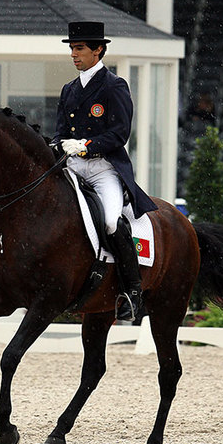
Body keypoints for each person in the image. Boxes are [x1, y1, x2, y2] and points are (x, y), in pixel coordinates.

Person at [52, 21, 157, 321]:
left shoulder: (114, 86)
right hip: (72, 166)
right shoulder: (69, 89)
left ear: (98, 50)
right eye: (72, 48)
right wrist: (59, 146)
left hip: (103, 167)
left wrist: (85, 146)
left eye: (80, 48)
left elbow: (119, 134)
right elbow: (60, 132)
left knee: (111, 221)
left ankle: (132, 292)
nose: (74, 54)